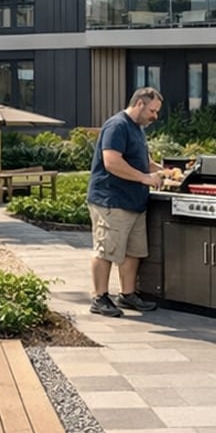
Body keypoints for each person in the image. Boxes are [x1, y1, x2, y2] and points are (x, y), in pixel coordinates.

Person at [87, 86, 163, 317]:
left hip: (134, 202)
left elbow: (145, 163)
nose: (155, 116)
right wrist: (145, 178)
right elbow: (112, 162)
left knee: (133, 252)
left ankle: (127, 295)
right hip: (112, 201)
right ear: (140, 103)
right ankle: (99, 298)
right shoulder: (117, 126)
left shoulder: (138, 129)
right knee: (106, 251)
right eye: (153, 110)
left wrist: (166, 172)